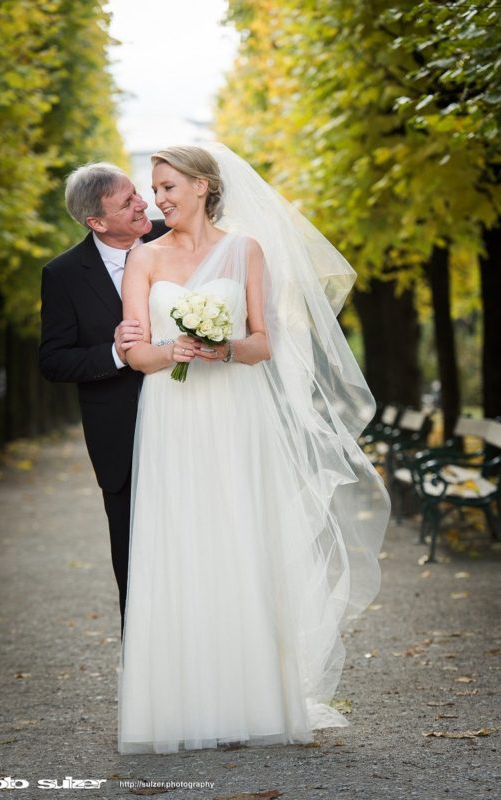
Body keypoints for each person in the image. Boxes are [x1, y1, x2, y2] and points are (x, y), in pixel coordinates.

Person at [118, 144, 390, 754]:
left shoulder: (246, 251)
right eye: (154, 189)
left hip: (234, 413)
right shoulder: (143, 258)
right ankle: (179, 705)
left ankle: (252, 700)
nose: (157, 198)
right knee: (179, 540)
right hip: (172, 412)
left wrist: (223, 348)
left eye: (167, 187)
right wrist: (174, 352)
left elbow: (262, 342)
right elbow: (136, 351)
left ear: (203, 186)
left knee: (237, 536)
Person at [39, 163, 167, 628]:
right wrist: (113, 352)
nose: (143, 204)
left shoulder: (174, 240)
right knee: (133, 556)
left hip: (193, 416)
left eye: (138, 192)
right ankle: (145, 674)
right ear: (96, 222)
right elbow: (54, 361)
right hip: (120, 435)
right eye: (127, 201)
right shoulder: (64, 275)